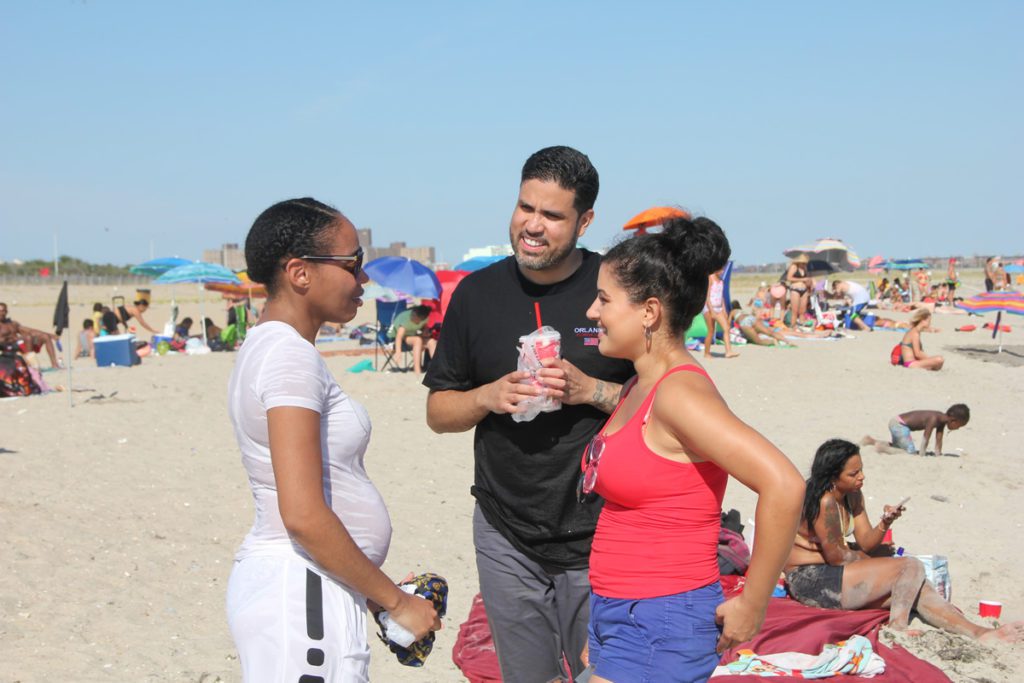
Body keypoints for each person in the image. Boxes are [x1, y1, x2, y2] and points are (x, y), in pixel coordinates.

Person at [424, 146, 634, 683]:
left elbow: (667, 401)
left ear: (585, 221)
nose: (532, 227)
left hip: (602, 528)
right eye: (525, 208)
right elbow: (438, 412)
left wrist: (593, 391)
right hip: (505, 529)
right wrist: (487, 397)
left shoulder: (616, 290)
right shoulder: (476, 294)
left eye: (552, 215)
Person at [579, 215, 804, 682]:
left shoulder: (679, 394)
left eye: (603, 300)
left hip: (660, 616)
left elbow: (783, 484)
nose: (591, 312)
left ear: (649, 312)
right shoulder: (639, 385)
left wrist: (754, 602)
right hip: (621, 610)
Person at [226, 198, 440, 682]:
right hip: (301, 593)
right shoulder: (288, 358)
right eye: (353, 262)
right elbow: (301, 514)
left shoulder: (272, 347)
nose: (363, 279)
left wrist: (369, 589)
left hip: (307, 588)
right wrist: (396, 601)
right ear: (300, 273)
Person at [785, 439, 1023, 643]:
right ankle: (897, 629)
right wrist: (869, 556)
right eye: (853, 473)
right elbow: (838, 557)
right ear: (832, 477)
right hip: (811, 580)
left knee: (916, 585)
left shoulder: (853, 496)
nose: (861, 477)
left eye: (861, 470)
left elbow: (866, 542)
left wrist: (885, 523)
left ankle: (980, 633)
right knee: (910, 566)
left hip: (837, 572)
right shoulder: (824, 501)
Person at [861, 404, 969, 456]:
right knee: (910, 452)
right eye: (958, 426)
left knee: (899, 446)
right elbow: (926, 436)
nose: (957, 429)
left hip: (898, 423)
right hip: (899, 425)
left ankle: (871, 441)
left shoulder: (941, 420)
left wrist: (938, 454)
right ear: (954, 420)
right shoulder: (934, 418)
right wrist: (921, 454)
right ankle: (882, 448)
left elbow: (939, 438)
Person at [0, 302, 61, 369]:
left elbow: (29, 330)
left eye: (3, 311)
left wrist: (50, 335)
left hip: (22, 344)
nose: (2, 313)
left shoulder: (13, 323)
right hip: (8, 347)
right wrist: (11, 339)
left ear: (6, 311)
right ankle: (30, 364)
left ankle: (54, 364)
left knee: (45, 337)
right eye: (0, 311)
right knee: (28, 338)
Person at [388, 304, 437, 374]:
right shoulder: (406, 319)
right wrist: (398, 352)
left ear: (420, 319)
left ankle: (438, 368)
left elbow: (424, 328)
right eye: (412, 315)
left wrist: (425, 332)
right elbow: (399, 337)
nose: (412, 317)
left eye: (414, 317)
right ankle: (417, 370)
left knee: (432, 342)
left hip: (413, 335)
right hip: (396, 338)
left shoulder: (425, 318)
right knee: (417, 340)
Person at [702, 267, 738, 359]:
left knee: (726, 328)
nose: (722, 272)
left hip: (719, 308)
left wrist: (724, 310)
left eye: (723, 270)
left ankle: (728, 351)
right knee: (711, 330)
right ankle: (707, 353)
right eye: (720, 270)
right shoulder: (710, 278)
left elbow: (721, 296)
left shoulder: (721, 280)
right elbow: (707, 297)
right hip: (709, 308)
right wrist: (712, 311)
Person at [780, 254, 813, 326]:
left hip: (804, 290)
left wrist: (809, 284)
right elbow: (789, 278)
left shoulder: (804, 268)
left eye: (805, 262)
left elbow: (807, 277)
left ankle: (802, 325)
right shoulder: (794, 267)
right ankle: (793, 326)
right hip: (795, 289)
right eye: (803, 262)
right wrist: (803, 279)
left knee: (803, 311)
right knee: (795, 311)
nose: (804, 263)